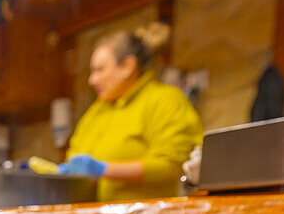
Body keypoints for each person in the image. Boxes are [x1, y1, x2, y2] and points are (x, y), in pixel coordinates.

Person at [59, 24, 202, 202]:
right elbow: (74, 156)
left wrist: (105, 170)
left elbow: (172, 164)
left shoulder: (166, 100)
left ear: (127, 66)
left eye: (100, 70)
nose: (92, 80)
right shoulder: (96, 110)